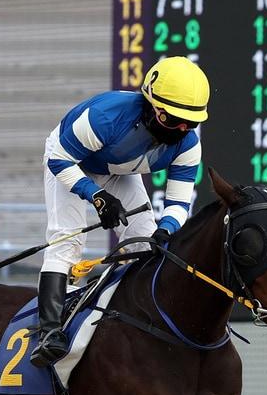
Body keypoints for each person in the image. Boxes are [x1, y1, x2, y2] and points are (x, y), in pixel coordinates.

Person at [30, 55, 209, 367]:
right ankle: (49, 332)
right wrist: (96, 195)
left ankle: (138, 318)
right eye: (171, 120)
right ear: (151, 104)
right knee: (68, 240)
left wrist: (165, 229)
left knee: (145, 242)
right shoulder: (105, 117)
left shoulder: (188, 145)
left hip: (118, 169)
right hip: (71, 162)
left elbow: (179, 204)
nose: (180, 131)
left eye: (189, 123)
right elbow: (59, 160)